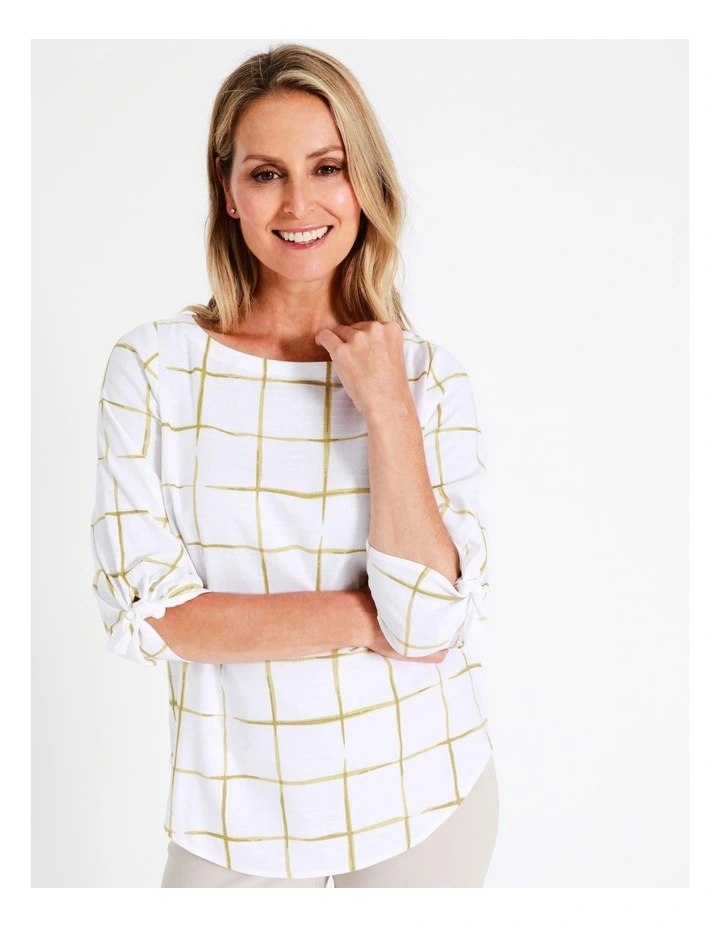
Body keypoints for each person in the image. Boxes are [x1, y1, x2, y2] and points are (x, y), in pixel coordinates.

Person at [90, 42, 499, 889]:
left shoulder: (428, 378)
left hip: (424, 793)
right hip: (233, 816)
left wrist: (387, 408)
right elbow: (157, 617)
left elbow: (429, 624)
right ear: (228, 191)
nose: (300, 203)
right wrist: (365, 618)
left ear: (365, 183)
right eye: (267, 173)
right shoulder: (155, 369)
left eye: (327, 167)